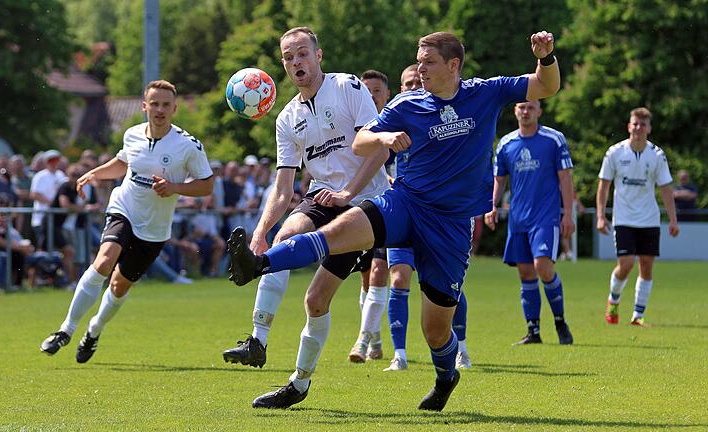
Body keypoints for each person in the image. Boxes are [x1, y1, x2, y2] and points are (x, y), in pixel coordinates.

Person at [227, 30, 560, 411]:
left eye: (428, 61)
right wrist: (384, 140)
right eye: (418, 60)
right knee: (337, 232)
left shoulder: (486, 91)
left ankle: (446, 376)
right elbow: (361, 142)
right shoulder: (407, 103)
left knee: (435, 331)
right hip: (405, 202)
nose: (420, 68)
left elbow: (545, 86)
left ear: (453, 65)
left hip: (450, 225)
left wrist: (545, 57)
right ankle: (259, 264)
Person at [221, 26, 390, 384]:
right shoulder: (286, 118)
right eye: (288, 57)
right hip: (323, 197)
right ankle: (257, 340)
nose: (296, 62)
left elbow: (379, 150)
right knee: (284, 238)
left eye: (302, 53)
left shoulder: (348, 87)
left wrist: (347, 195)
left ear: (318, 56)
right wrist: (260, 232)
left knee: (315, 301)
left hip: (364, 205)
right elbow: (283, 188)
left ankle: (299, 381)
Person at [39, 79, 213, 363]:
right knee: (104, 261)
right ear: (144, 105)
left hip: (155, 228)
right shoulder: (132, 134)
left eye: (165, 105)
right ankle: (65, 330)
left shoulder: (188, 145)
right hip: (124, 209)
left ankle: (94, 330)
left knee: (119, 287)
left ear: (174, 108)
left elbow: (206, 185)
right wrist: (95, 173)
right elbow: (123, 163)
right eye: (154, 103)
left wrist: (175, 187)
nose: (159, 109)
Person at [381, 64, 472, 372]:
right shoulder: (396, 120)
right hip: (404, 213)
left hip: (439, 217)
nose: (411, 86)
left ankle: (461, 347)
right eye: (406, 83)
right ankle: (400, 354)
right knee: (399, 277)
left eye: (415, 82)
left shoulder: (436, 119)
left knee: (447, 287)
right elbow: (373, 159)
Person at [485, 100, 575, 345]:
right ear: (514, 111)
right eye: (521, 107)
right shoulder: (506, 144)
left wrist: (568, 213)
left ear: (539, 111)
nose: (525, 112)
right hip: (518, 218)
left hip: (545, 217)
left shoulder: (553, 140)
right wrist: (491, 206)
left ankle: (560, 321)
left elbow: (565, 178)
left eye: (530, 108)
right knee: (525, 273)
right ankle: (533, 331)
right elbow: (499, 179)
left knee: (543, 267)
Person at [596, 107, 679, 327]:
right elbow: (604, 185)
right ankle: (613, 300)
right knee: (625, 264)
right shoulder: (614, 153)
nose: (638, 128)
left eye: (643, 124)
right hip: (623, 218)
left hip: (649, 219)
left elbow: (666, 188)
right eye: (635, 124)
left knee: (646, 266)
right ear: (629, 126)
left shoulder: (657, 155)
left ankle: (637, 316)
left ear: (649, 128)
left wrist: (672, 220)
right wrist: (600, 216)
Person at [348, 69, 392, 363]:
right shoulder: (355, 131)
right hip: (360, 208)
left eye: (377, 90)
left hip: (392, 208)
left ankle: (362, 341)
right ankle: (374, 339)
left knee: (379, 272)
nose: (372, 95)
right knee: (366, 278)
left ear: (387, 94)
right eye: (367, 90)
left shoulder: (398, 122)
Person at [30, 149, 67, 251]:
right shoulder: (40, 176)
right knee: (43, 249)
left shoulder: (61, 175)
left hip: (56, 221)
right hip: (41, 219)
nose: (54, 163)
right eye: (51, 160)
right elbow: (34, 194)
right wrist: (53, 204)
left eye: (56, 160)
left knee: (59, 250)